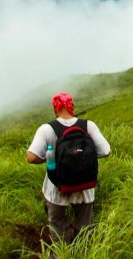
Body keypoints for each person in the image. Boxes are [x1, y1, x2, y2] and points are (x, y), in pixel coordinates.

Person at [26, 92, 111, 243]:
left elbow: (31, 157)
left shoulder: (46, 129)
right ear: (72, 106)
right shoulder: (88, 126)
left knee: (58, 226)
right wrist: (83, 156)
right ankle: (85, 258)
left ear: (55, 108)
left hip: (57, 188)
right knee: (85, 228)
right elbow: (106, 151)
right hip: (84, 188)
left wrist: (52, 158)